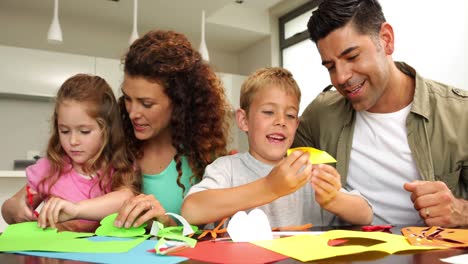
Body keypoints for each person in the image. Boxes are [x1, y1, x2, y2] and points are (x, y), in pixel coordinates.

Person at [294, 0, 468, 227]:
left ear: (386, 39)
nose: (341, 77)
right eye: (330, 67)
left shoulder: (460, 114)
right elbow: (276, 162)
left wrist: (460, 212)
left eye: (352, 56)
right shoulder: (320, 114)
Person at [181, 67, 372, 227]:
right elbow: (191, 211)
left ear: (296, 125)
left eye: (290, 115)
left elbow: (365, 215)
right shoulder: (226, 168)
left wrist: (334, 200)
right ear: (244, 120)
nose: (281, 121)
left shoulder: (308, 170)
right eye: (269, 112)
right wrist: (269, 187)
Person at [113, 30, 229, 229]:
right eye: (128, 99)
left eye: (146, 104)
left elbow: (210, 235)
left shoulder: (202, 156)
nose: (132, 113)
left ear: (178, 103)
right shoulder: (114, 142)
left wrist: (165, 224)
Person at [1, 74, 139, 232]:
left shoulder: (116, 167)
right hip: (55, 254)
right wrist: (13, 209)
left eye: (84, 131)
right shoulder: (51, 169)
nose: (73, 141)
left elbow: (126, 198)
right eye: (64, 131)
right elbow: (10, 209)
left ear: (107, 129)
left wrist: (76, 209)